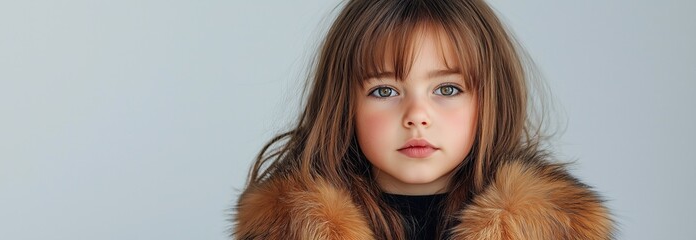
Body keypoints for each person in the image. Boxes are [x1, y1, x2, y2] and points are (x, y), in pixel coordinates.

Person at [233, 0, 615, 239]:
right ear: (343, 105)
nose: (417, 116)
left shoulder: (556, 229)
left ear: (489, 100)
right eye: (385, 91)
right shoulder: (282, 230)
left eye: (447, 89)